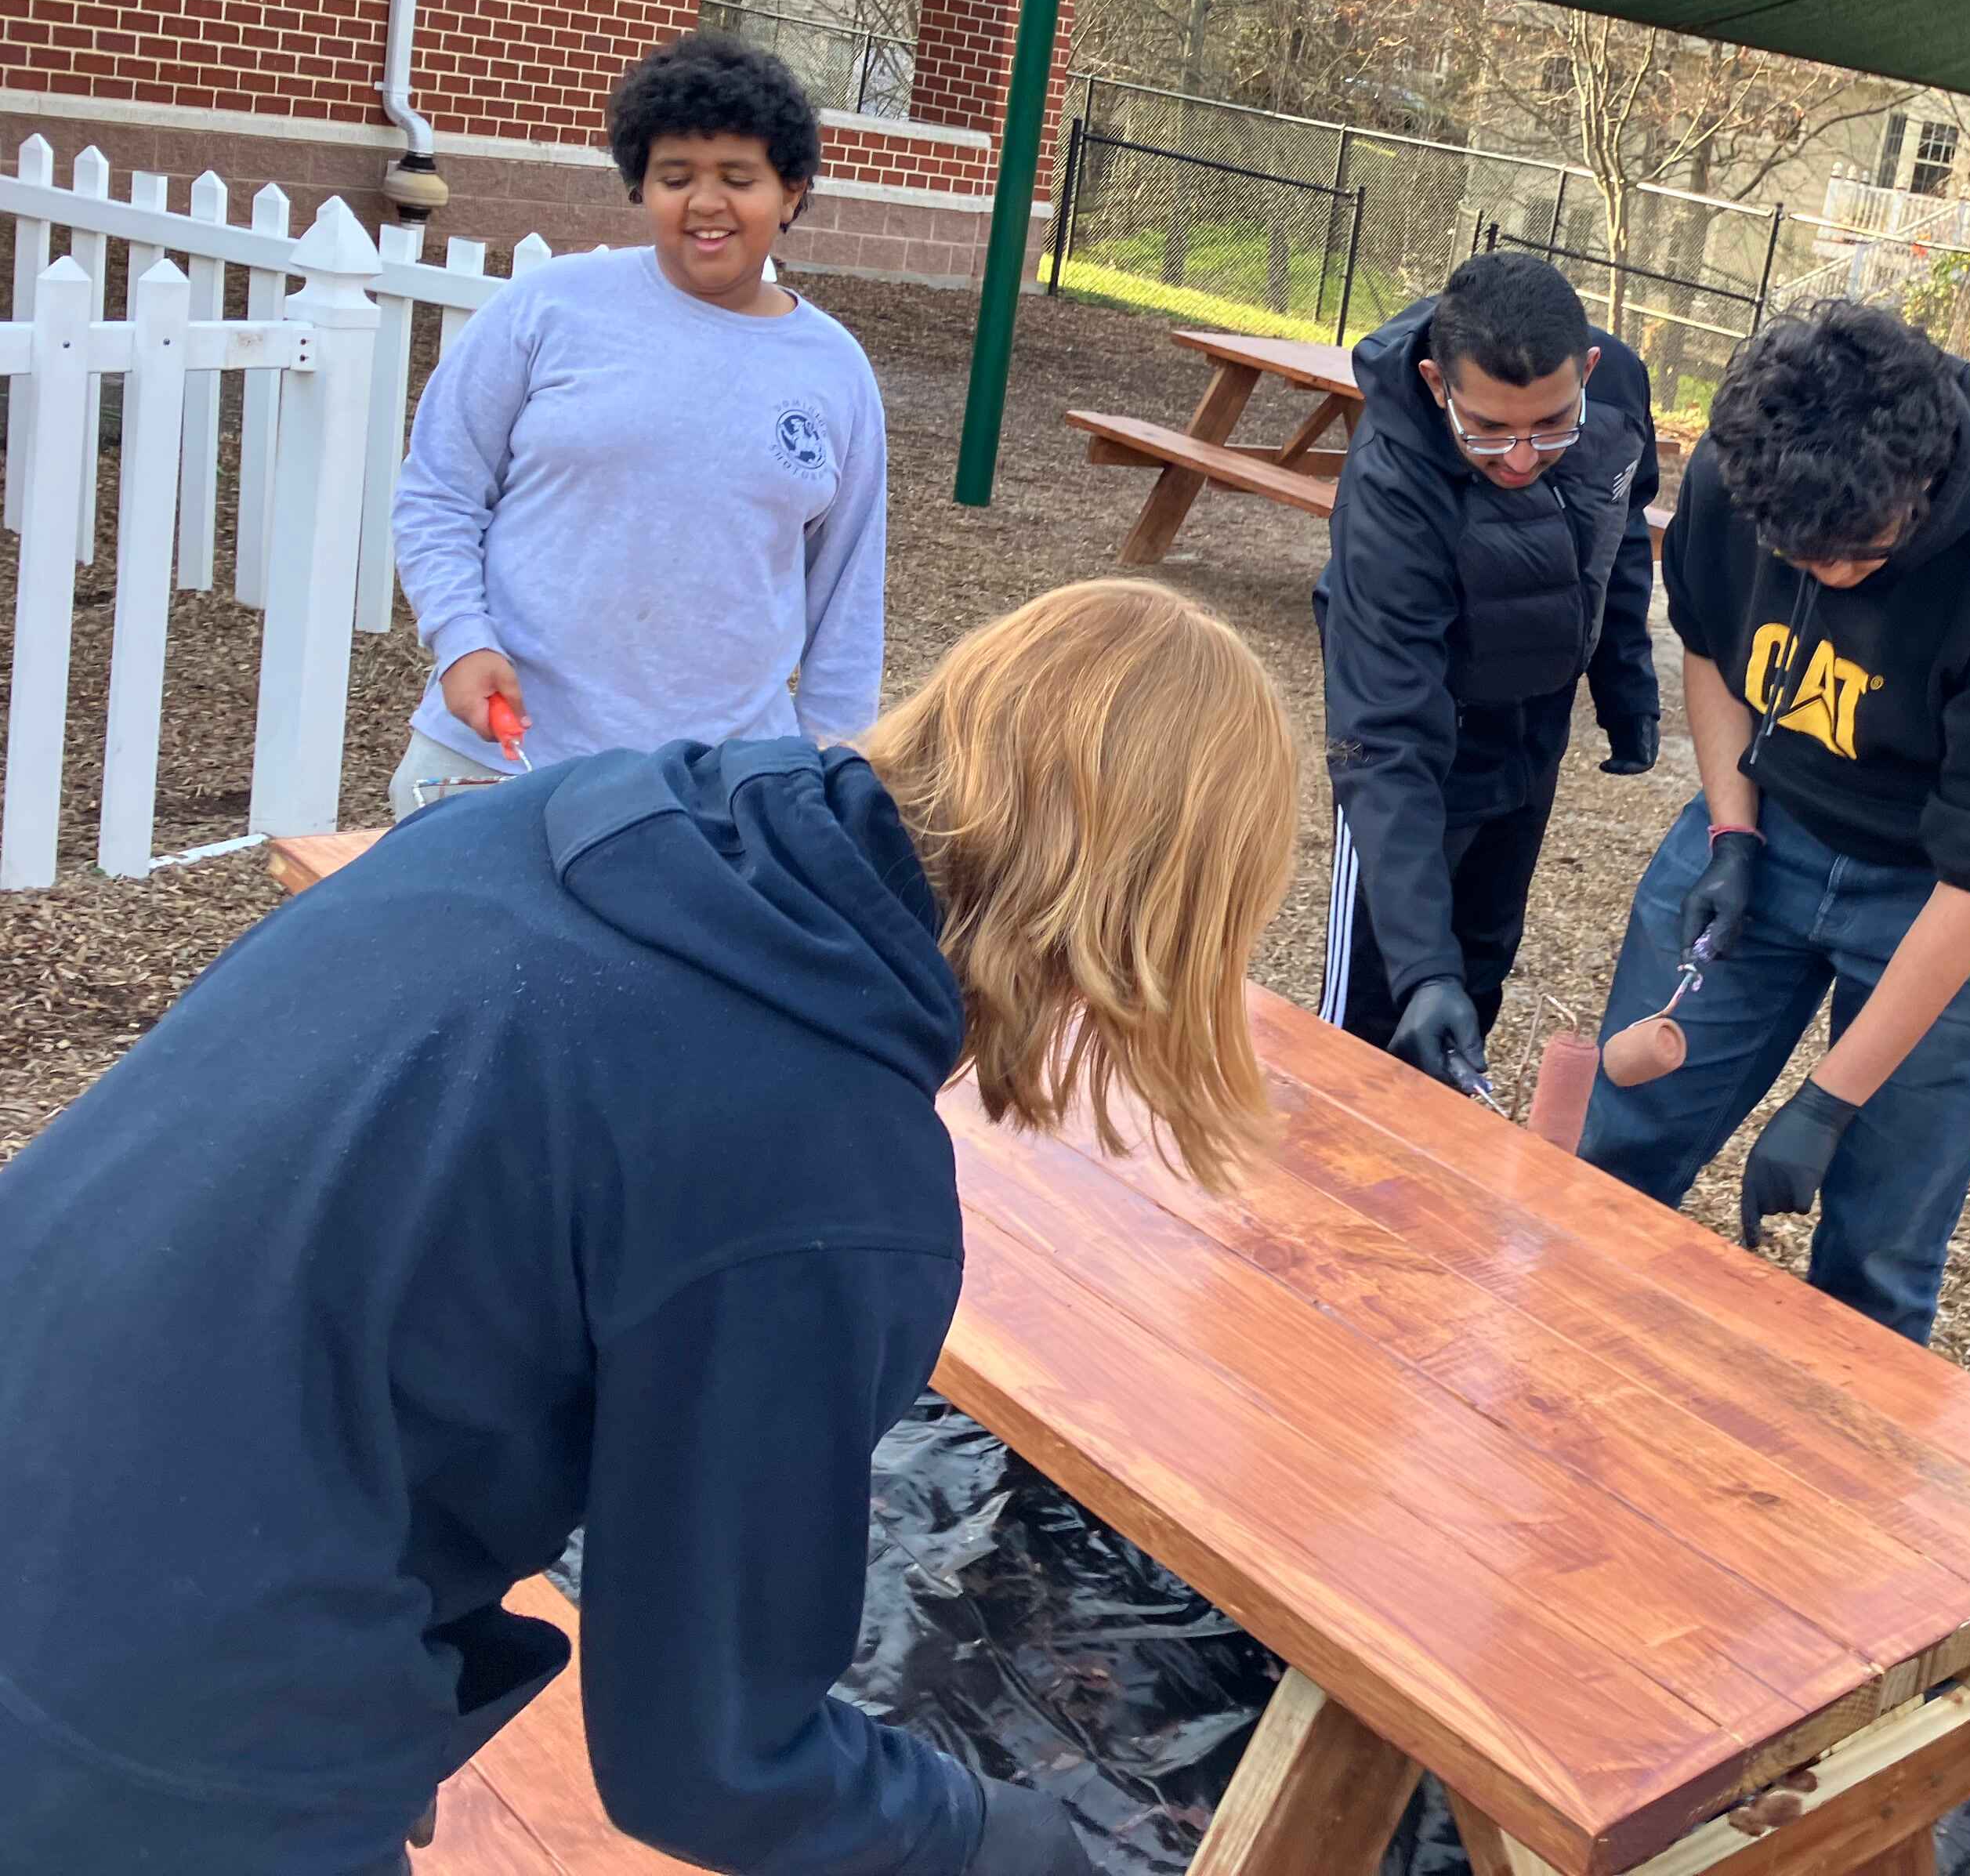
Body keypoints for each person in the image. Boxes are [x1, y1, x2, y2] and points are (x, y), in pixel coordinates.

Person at [0, 579, 1297, 1876]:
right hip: (143, 1712)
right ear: (1169, 916)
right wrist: (1012, 1842)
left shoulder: (572, 817)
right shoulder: (817, 1170)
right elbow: (715, 1762)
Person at [1577, 301, 1970, 1342]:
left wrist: (1831, 1100)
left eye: (1849, 554)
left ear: (1917, 490)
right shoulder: (1737, 480)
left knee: (1877, 1246)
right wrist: (1734, 833)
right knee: (1620, 1145)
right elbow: (1710, 647)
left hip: (1950, 876)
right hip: (1775, 808)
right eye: (1795, 551)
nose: (1819, 574)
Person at [386, 31, 885, 815]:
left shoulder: (835, 372)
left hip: (718, 793)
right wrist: (463, 640)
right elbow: (440, 492)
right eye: (675, 177)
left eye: (738, 178)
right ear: (641, 188)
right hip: (504, 760)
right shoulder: (549, 307)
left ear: (791, 191)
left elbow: (845, 598)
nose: (706, 203)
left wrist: (835, 775)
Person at [1316, 248, 1661, 1088]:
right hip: (1422, 744)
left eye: (1549, 426)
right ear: (1437, 384)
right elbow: (1381, 736)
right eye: (1488, 429)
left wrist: (1624, 682)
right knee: (1377, 1012)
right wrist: (1421, 972)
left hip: (1531, 729)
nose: (1517, 458)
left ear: (1586, 371)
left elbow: (1620, 528)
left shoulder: (1616, 390)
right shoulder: (1391, 487)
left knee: (1479, 973)